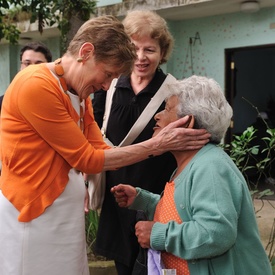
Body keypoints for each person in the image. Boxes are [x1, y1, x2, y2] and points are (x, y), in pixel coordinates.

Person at [0, 16, 210, 275]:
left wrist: (158, 145)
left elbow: (102, 150)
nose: (107, 85)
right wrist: (158, 144)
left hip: (64, 214)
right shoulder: (36, 85)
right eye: (108, 74)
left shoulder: (79, 93)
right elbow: (86, 159)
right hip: (34, 212)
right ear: (86, 53)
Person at [112, 75, 273, 275]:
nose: (157, 116)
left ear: (188, 123)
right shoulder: (189, 164)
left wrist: (158, 234)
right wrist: (145, 201)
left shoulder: (210, 167)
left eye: (167, 109)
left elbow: (216, 233)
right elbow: (184, 213)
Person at [92, 10, 209, 274]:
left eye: (150, 49)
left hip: (157, 193)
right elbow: (93, 138)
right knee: (123, 264)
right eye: (134, 48)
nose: (141, 57)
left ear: (162, 52)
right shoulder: (108, 89)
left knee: (157, 264)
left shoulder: (174, 92)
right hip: (117, 194)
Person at [0, 41, 52, 111]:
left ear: (49, 66)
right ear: (21, 67)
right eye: (27, 63)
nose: (32, 68)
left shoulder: (57, 100)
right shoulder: (4, 102)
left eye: (38, 64)